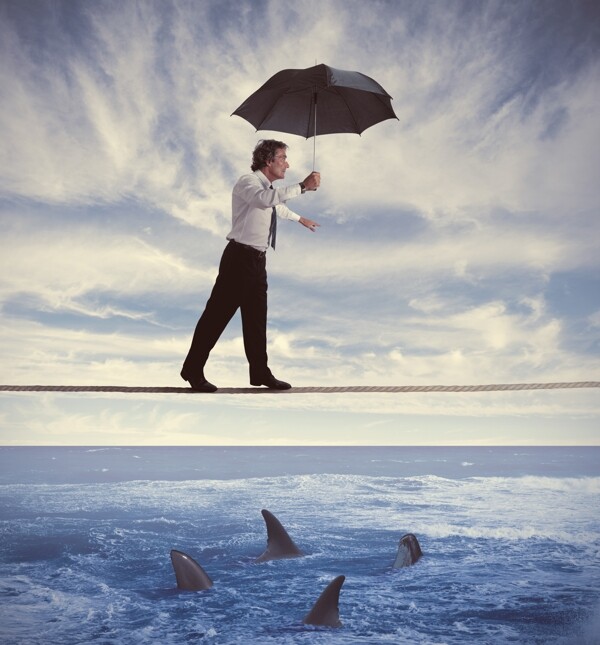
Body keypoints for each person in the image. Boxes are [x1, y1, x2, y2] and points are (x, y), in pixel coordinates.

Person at [181, 139, 320, 392]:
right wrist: (302, 186)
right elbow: (264, 200)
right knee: (216, 317)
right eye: (283, 158)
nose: (287, 164)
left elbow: (278, 206)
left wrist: (301, 219)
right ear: (268, 161)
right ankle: (192, 368)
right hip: (238, 259)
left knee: (257, 320)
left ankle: (259, 372)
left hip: (258, 261)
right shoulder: (249, 182)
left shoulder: (267, 189)